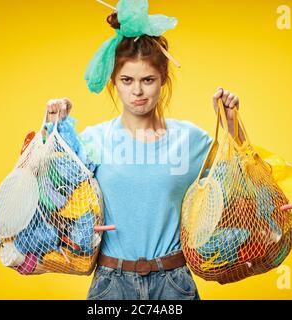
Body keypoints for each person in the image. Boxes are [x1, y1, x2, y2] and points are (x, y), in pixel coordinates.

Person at [40, 3, 245, 300]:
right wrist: (53, 131)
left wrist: (231, 124)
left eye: (147, 80)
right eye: (127, 80)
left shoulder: (189, 139)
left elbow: (243, 180)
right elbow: (52, 190)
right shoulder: (93, 140)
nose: (137, 91)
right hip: (111, 283)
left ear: (162, 79)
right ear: (115, 82)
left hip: (174, 284)